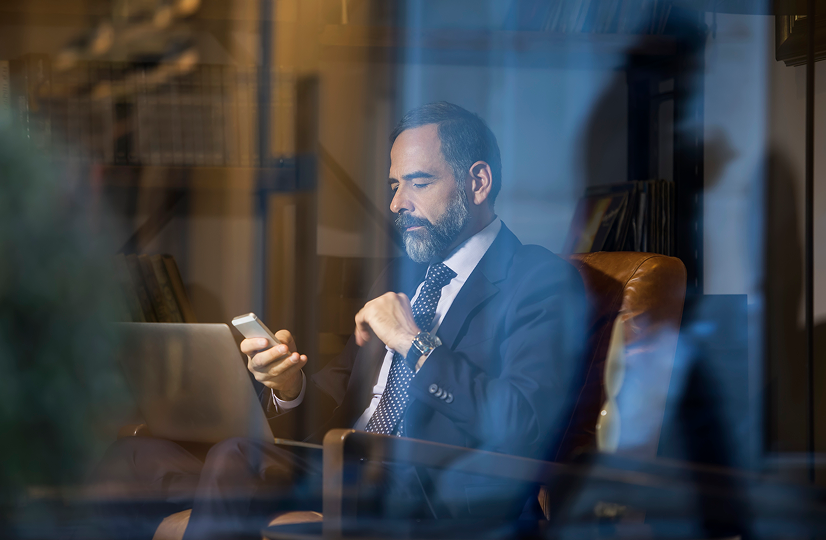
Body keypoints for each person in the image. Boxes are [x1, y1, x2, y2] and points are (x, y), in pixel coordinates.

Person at [92, 102, 587, 540]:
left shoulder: (538, 279)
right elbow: (343, 391)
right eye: (394, 186)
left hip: (427, 491)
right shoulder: (403, 275)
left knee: (234, 458)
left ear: (478, 182)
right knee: (132, 458)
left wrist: (415, 343)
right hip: (343, 466)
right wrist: (291, 387)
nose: (397, 205)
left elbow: (523, 423)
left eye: (418, 182)